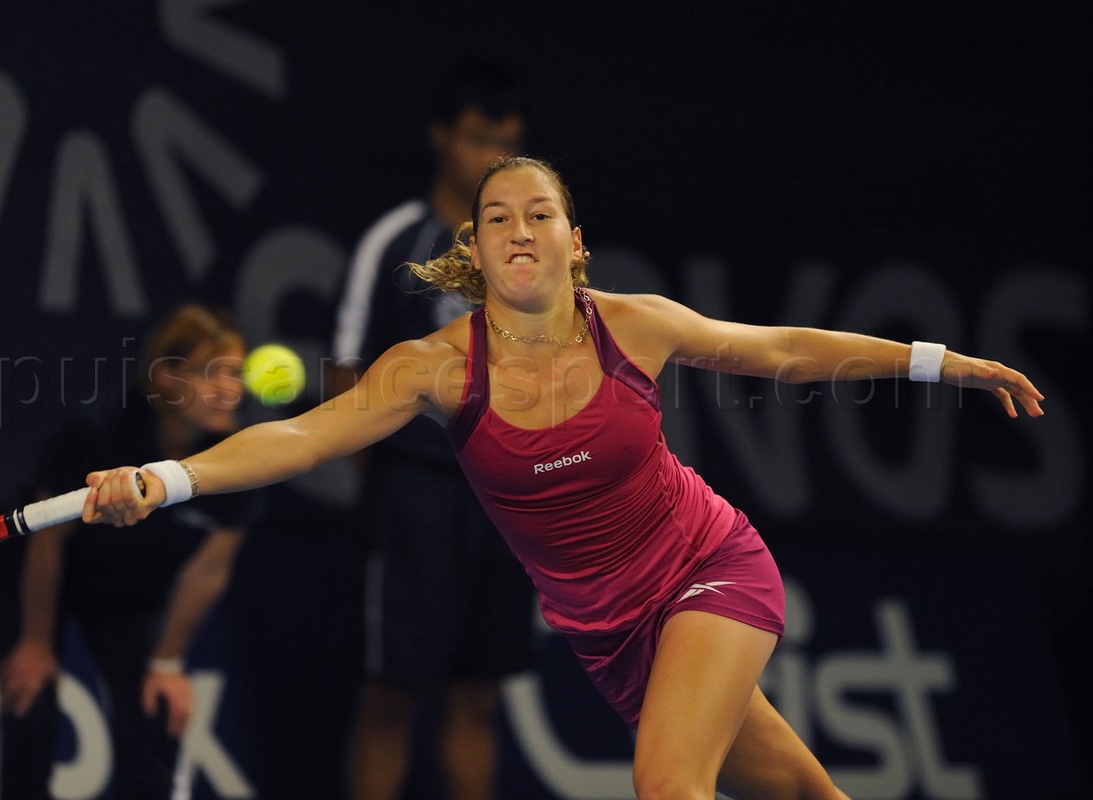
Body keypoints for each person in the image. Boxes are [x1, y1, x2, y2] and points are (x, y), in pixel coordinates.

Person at [83, 157, 1045, 799]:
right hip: (612, 636)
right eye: (497, 217)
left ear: (573, 242)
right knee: (800, 792)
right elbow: (300, 439)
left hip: (708, 568)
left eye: (540, 214)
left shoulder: (635, 324)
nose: (520, 228)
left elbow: (784, 350)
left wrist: (938, 362)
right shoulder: (433, 368)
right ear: (475, 250)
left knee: (666, 784)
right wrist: (165, 477)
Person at [332, 57, 536, 800]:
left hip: (504, 500)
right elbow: (345, 373)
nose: (493, 157)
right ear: (441, 137)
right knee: (390, 693)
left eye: (507, 143)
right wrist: (392, 469)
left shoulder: (529, 255)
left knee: (479, 695)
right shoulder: (395, 241)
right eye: (479, 138)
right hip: (412, 497)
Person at [0, 304, 254, 800]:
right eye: (211, 373)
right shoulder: (96, 431)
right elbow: (47, 543)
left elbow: (209, 569)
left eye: (236, 373)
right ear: (167, 377)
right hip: (39, 580)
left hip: (125, 595)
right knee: (30, 704)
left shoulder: (241, 456)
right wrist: (36, 642)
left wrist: (167, 662)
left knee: (156, 711)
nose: (228, 390)